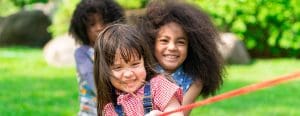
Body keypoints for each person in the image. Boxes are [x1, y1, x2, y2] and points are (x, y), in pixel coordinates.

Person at [138, 0, 225, 115]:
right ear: (151, 43)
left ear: (192, 47)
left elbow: (181, 113)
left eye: (180, 42)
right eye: (164, 40)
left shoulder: (195, 81)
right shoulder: (142, 69)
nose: (172, 47)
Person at [94, 24, 183, 116]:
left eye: (135, 64)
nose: (128, 74)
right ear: (104, 71)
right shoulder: (109, 108)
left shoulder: (159, 87)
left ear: (144, 61)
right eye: (118, 68)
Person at [69, 0, 124, 115]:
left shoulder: (121, 49)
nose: (99, 28)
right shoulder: (82, 53)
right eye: (92, 24)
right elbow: (94, 84)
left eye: (104, 22)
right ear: (83, 29)